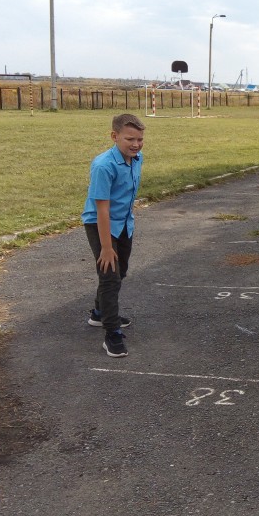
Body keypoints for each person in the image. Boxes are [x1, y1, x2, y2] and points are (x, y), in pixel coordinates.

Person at [81, 113, 146, 358]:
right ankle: (112, 333)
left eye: (139, 139)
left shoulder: (137, 158)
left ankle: (100, 312)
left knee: (121, 272)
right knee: (110, 276)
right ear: (114, 136)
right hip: (100, 224)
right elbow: (102, 210)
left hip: (124, 224)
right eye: (130, 139)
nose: (136, 144)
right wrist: (107, 248)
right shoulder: (103, 166)